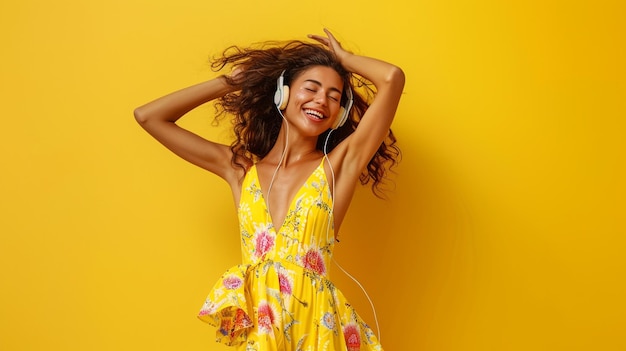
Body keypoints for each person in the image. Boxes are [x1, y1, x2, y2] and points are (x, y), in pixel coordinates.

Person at [134, 28, 404, 351]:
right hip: (262, 337)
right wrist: (231, 83)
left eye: (334, 97)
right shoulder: (240, 170)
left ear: (339, 115)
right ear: (283, 95)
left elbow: (392, 79)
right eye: (313, 88)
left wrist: (344, 59)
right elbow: (149, 117)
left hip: (317, 334)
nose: (322, 100)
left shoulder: (337, 167)